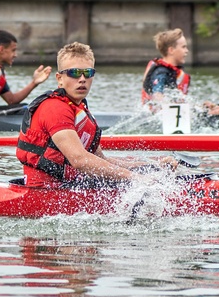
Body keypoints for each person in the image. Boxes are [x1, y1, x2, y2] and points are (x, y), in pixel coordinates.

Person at [17, 42, 176, 188]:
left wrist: (152, 166)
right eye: (74, 73)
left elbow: (102, 161)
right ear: (60, 79)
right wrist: (135, 178)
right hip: (44, 191)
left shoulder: (80, 109)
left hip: (69, 185)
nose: (82, 79)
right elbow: (79, 160)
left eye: (88, 73)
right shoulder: (55, 108)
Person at [141, 29, 219, 116]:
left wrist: (201, 107)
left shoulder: (172, 72)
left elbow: (179, 101)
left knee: (217, 109)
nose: (187, 51)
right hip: (163, 119)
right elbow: (157, 95)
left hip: (175, 116)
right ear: (171, 50)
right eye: (183, 47)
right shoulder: (161, 73)